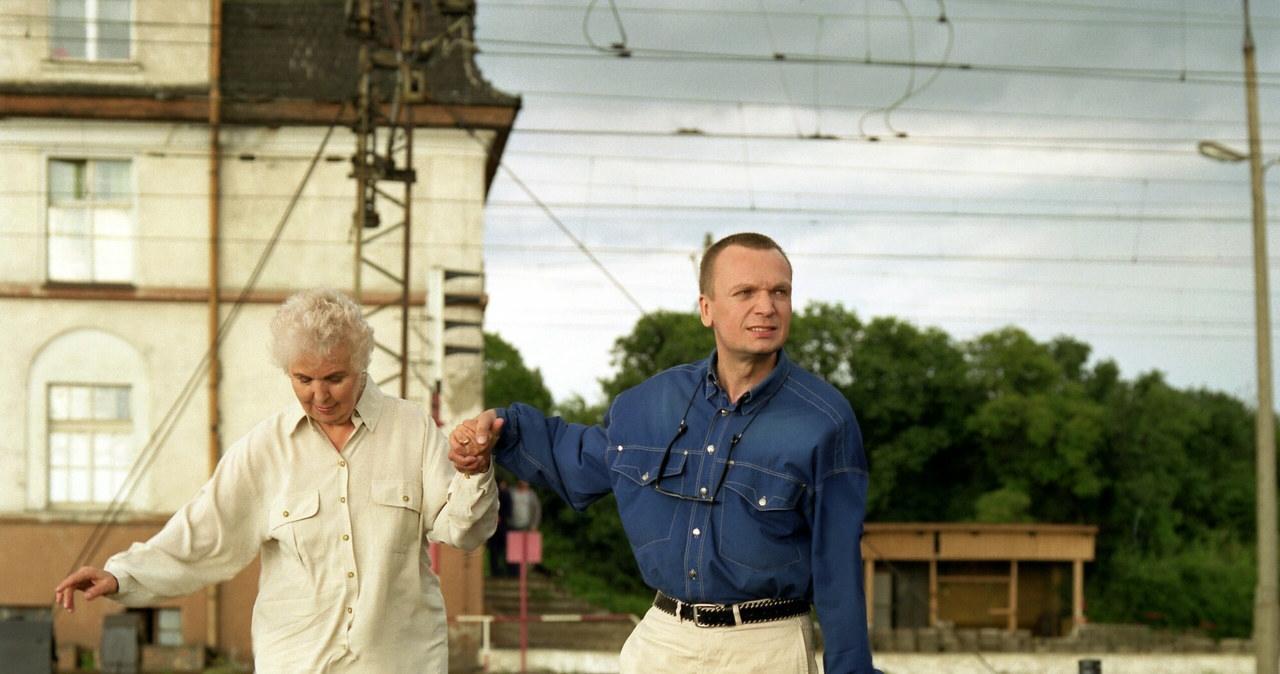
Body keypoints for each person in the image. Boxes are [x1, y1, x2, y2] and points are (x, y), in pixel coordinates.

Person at [450, 233, 879, 674]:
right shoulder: (646, 404)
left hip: (766, 647)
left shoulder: (826, 421)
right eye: (745, 292)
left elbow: (838, 568)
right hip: (661, 642)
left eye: (780, 292)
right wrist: (501, 431)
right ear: (707, 309)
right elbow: (577, 459)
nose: (767, 306)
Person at [54, 287, 498, 673]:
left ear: (362, 366)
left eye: (335, 378)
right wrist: (120, 576)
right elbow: (202, 536)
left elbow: (463, 531)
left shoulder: (413, 429)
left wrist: (473, 473)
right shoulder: (263, 449)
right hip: (295, 662)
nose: (319, 395)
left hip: (401, 663)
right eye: (302, 379)